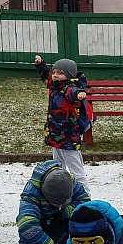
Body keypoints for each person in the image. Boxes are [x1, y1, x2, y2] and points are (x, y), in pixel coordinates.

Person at [16, 160, 91, 244]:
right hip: (41, 222)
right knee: (26, 226)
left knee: (73, 221)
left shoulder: (70, 181)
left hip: (60, 221)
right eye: (56, 202)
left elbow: (84, 202)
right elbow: (27, 223)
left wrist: (65, 212)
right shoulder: (32, 192)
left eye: (63, 202)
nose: (60, 206)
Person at [33, 55, 90, 191]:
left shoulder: (69, 87)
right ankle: (61, 191)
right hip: (56, 135)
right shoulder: (53, 85)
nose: (55, 75)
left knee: (76, 170)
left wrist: (79, 94)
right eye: (54, 72)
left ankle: (84, 196)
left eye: (60, 73)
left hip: (68, 137)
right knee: (57, 167)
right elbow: (45, 76)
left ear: (69, 75)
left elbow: (73, 93)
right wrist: (40, 64)